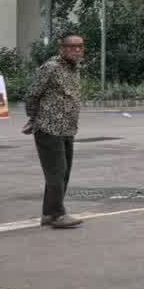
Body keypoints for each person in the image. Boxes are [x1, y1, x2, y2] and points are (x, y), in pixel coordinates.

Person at [23, 34, 85, 230]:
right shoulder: (51, 67)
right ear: (62, 49)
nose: (77, 50)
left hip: (67, 128)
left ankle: (49, 214)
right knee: (56, 173)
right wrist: (33, 118)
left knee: (63, 173)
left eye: (80, 47)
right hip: (49, 127)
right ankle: (57, 214)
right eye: (72, 47)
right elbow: (32, 94)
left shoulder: (74, 69)